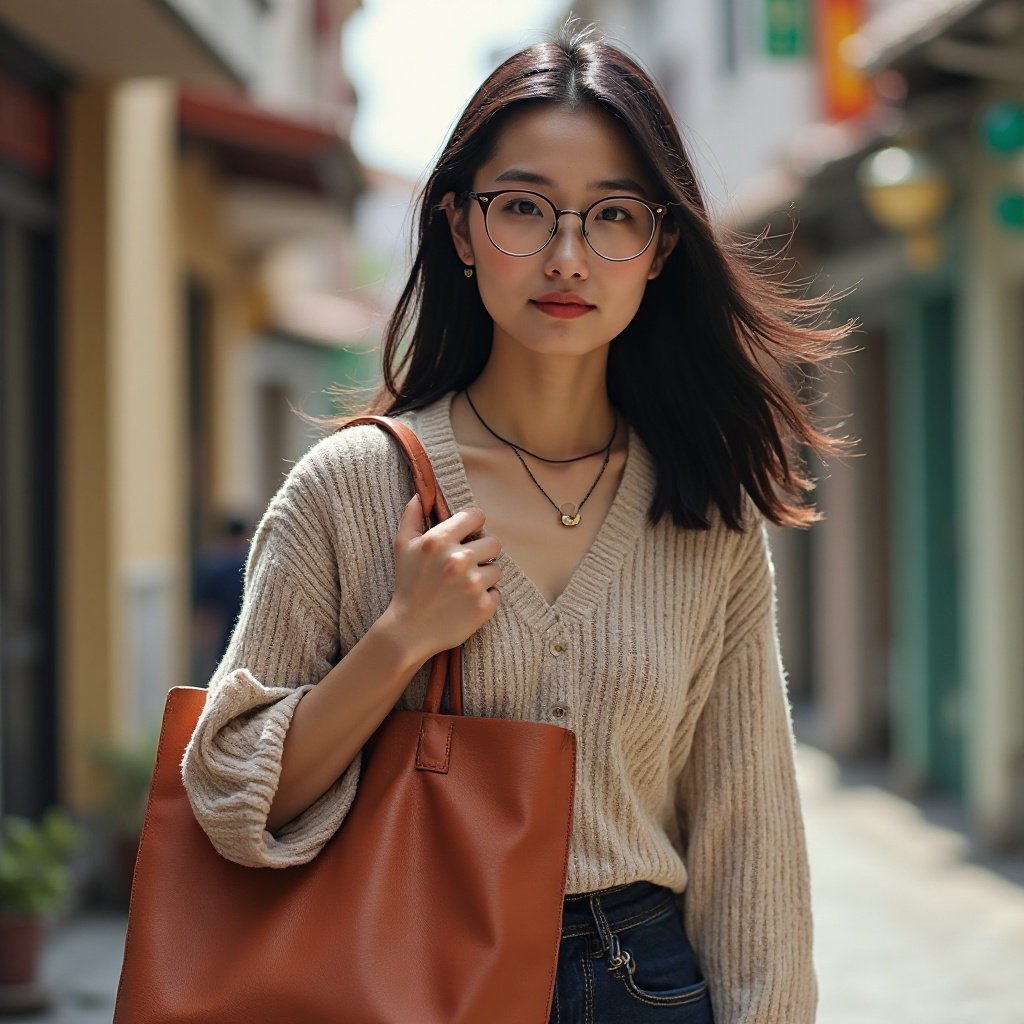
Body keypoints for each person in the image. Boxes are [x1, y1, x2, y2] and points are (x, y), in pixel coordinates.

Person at [181, 17, 858, 1023]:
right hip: (408, 975)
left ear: (660, 246)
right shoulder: (349, 489)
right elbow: (230, 793)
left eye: (613, 215)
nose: (567, 257)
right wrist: (398, 640)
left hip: (645, 981)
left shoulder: (703, 510)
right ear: (460, 228)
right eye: (524, 209)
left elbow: (748, 835)